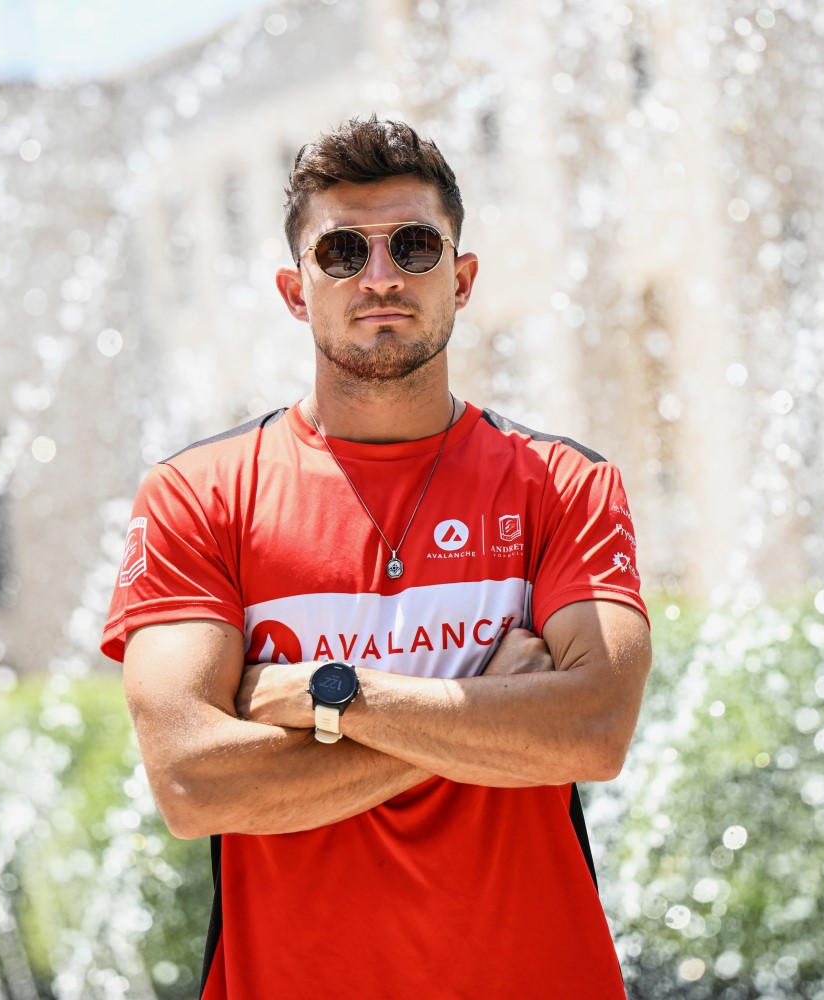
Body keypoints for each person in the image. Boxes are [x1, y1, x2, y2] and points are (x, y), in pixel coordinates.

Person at [100, 116, 653, 999]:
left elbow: (592, 731)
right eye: (344, 252)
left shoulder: (561, 483)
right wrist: (498, 710)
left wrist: (332, 696)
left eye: (415, 245)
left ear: (462, 279)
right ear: (295, 289)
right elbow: (194, 783)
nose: (382, 276)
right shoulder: (198, 495)